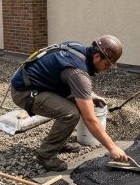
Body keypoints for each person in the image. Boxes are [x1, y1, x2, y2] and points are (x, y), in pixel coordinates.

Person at [10, 35, 129, 171]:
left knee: (76, 106)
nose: (106, 68)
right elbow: (90, 119)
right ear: (97, 56)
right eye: (107, 64)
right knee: (70, 113)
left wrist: (90, 96)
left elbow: (68, 78)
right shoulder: (78, 73)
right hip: (25, 92)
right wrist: (112, 147)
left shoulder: (77, 48)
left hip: (38, 84)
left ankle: (58, 143)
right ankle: (46, 155)